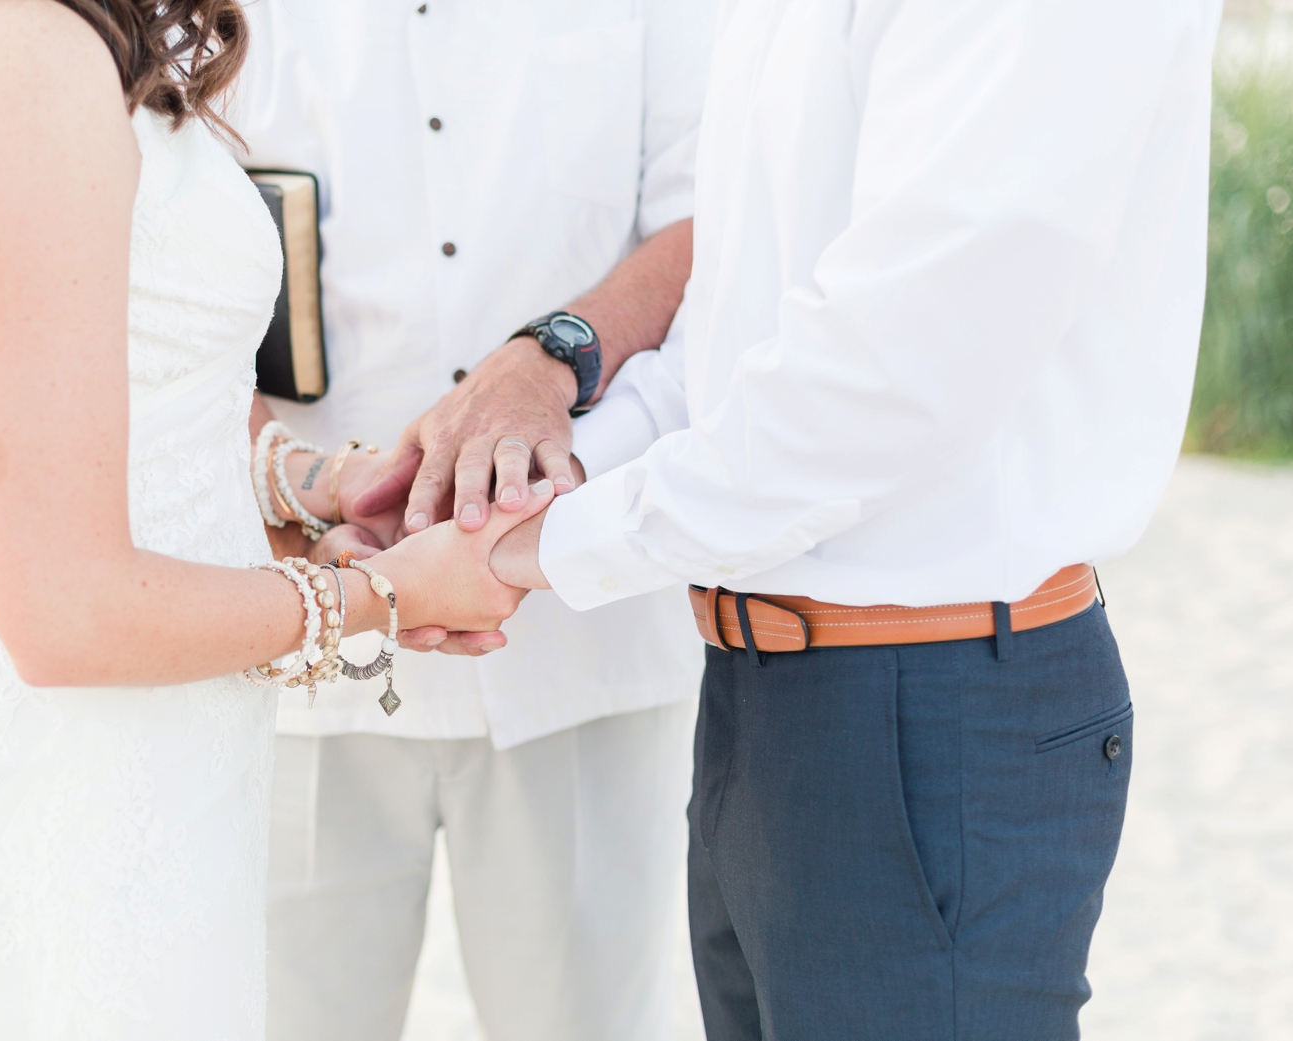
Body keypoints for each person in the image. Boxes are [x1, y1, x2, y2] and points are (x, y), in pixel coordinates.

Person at [0, 0, 539, 1035]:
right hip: (71, 787)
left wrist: (307, 483)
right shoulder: (14, 50)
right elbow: (66, 611)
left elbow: (33, 448)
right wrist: (389, 594)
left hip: (107, 761)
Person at [482, 0, 1224, 1038]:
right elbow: (733, 339)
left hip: (939, 708)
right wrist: (518, 495)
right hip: (763, 697)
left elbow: (896, 377)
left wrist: (537, 551)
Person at [226, 5, 714, 1038]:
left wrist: (549, 356)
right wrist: (310, 493)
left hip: (581, 634)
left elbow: (713, 224)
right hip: (297, 638)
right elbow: (160, 294)